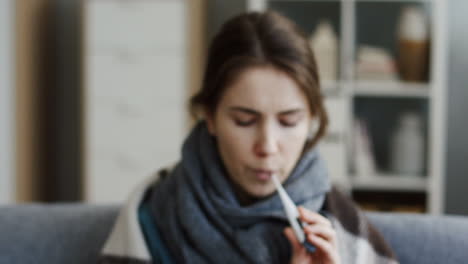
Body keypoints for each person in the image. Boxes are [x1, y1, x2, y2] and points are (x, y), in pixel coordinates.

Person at [98, 11, 398, 264]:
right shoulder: (151, 216)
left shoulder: (341, 222)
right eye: (244, 121)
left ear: (311, 120)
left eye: (289, 121)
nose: (267, 147)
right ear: (210, 117)